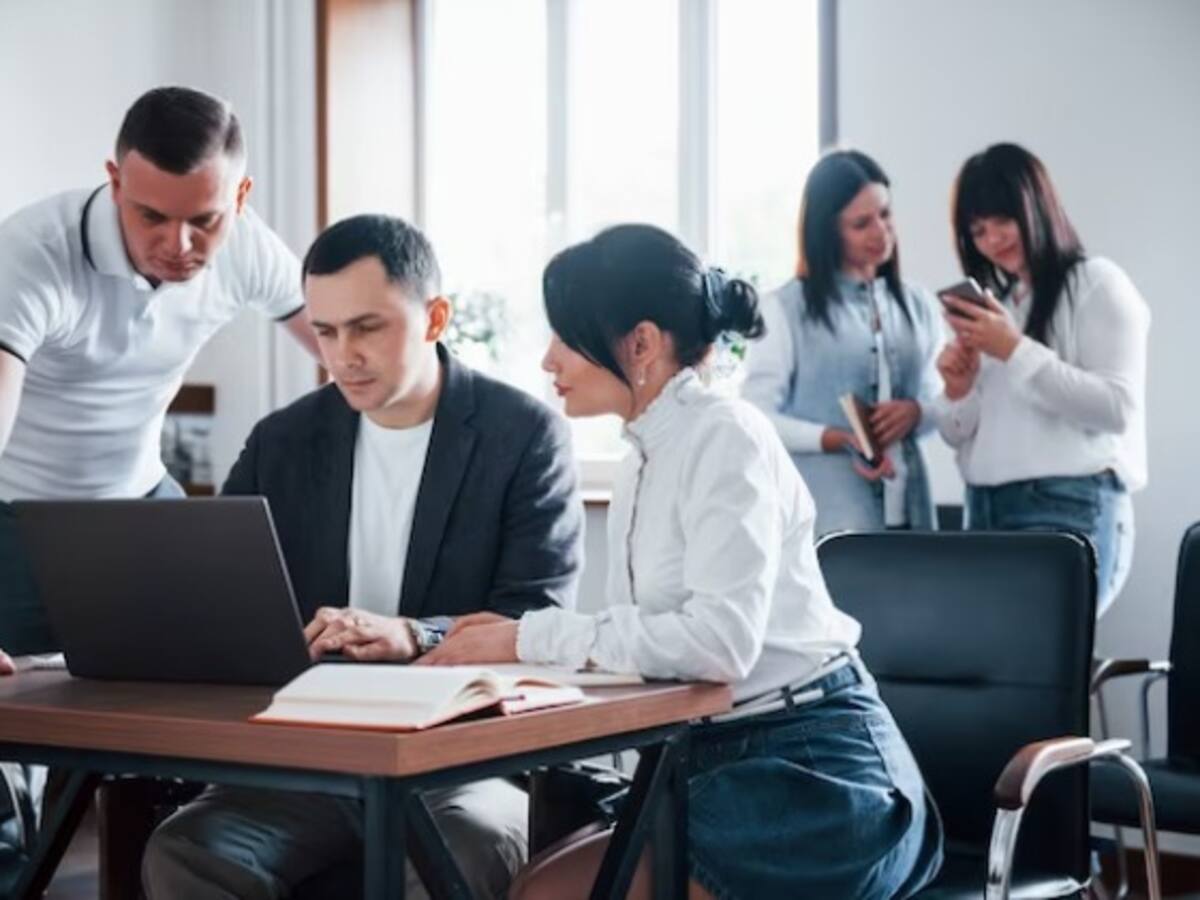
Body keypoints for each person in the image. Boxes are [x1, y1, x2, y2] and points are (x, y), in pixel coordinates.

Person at [422, 224, 944, 899]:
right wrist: (490, 646)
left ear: (641, 343)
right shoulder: (644, 453)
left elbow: (718, 643)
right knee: (535, 888)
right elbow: (647, 637)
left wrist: (529, 635)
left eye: (565, 336)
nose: (549, 360)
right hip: (705, 758)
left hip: (814, 766)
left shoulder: (726, 437)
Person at [140, 214, 584, 900]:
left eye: (367, 328)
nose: (341, 354)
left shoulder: (524, 435)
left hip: (463, 763)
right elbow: (215, 593)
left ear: (435, 317)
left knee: (477, 843)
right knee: (188, 852)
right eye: (325, 330)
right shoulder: (282, 441)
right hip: (313, 757)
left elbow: (539, 615)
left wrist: (413, 634)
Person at [0, 85, 320, 674]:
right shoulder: (34, 251)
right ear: (115, 181)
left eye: (204, 220)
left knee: (239, 668)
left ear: (241, 197)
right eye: (151, 216)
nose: (178, 246)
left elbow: (349, 347)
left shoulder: (248, 248)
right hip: (18, 516)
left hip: (142, 501)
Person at [936, 143, 1149, 615]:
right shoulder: (1002, 306)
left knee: (1037, 668)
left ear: (1035, 205)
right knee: (1001, 672)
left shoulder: (1095, 283)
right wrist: (958, 388)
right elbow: (956, 434)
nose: (992, 240)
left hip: (1064, 504)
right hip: (985, 509)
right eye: (978, 230)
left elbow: (1116, 409)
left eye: (1001, 220)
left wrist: (1013, 349)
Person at [743, 149, 943, 535]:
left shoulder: (919, 304)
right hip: (828, 522)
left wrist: (918, 412)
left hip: (912, 516)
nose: (880, 232)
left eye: (885, 214)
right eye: (861, 223)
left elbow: (943, 402)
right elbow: (757, 417)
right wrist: (833, 438)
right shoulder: (784, 309)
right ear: (828, 230)